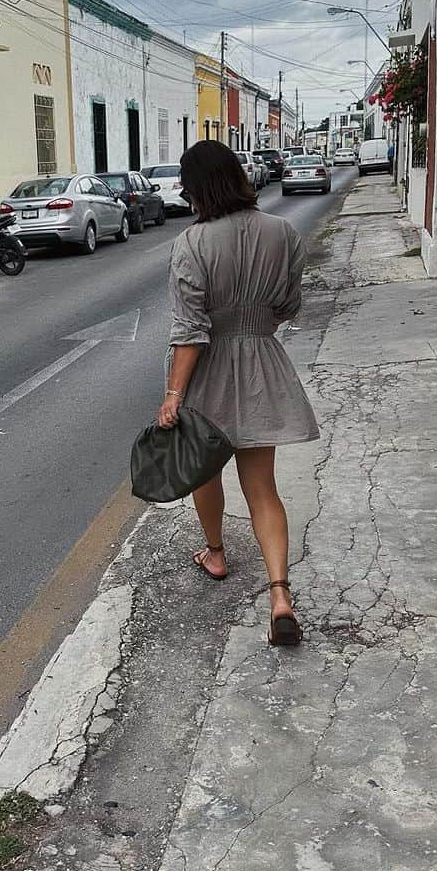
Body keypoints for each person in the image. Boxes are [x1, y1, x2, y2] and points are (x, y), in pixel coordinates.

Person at [157, 140, 319, 646]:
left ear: (198, 188)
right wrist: (254, 325)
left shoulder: (193, 243)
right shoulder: (283, 232)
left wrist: (172, 394)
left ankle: (216, 553)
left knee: (206, 471)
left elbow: (190, 329)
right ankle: (279, 595)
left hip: (208, 371)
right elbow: (289, 304)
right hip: (261, 365)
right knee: (263, 486)